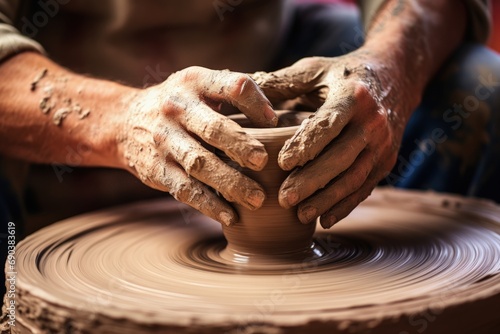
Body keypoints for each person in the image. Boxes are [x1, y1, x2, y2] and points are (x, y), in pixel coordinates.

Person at [0, 0, 498, 237]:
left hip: (264, 59)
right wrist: (123, 119)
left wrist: (389, 73)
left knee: (479, 94)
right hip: (57, 92)